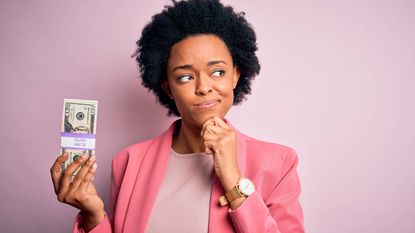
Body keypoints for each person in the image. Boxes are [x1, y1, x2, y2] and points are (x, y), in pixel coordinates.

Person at [50, 0, 305, 232]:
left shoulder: (278, 163)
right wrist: (93, 215)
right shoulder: (128, 163)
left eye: (217, 72)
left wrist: (233, 179)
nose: (204, 87)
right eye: (185, 77)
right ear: (167, 87)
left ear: (236, 75)